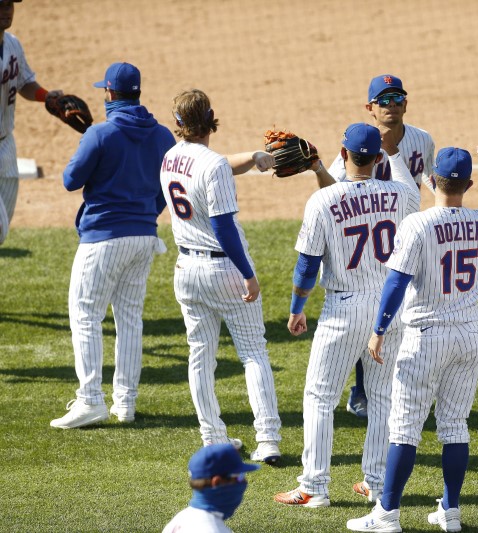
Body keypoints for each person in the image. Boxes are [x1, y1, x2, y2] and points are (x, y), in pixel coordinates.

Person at [347, 146, 478, 532]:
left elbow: (396, 281)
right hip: (469, 336)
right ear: (467, 184)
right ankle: (450, 511)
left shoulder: (418, 225)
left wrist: (378, 330)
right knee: (455, 425)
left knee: (404, 428)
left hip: (426, 338)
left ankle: (386, 515)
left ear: (433, 180)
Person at [272, 123, 420, 508]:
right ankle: (375, 481)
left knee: (320, 396)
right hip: (391, 308)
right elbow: (412, 199)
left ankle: (314, 487)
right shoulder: (402, 195)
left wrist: (297, 308)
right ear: (377, 158)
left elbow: (307, 265)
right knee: (383, 396)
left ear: (343, 154)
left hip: (344, 308)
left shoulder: (322, 201)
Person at [159, 89, 282, 461]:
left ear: (178, 123)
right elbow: (225, 227)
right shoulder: (212, 165)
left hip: (186, 270)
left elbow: (214, 164)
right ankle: (268, 440)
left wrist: (253, 157)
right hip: (224, 269)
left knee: (200, 356)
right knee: (253, 353)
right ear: (211, 117)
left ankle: (213, 439)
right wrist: (248, 273)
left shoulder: (168, 158)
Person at [50, 62, 175, 429]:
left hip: (103, 238)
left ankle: (90, 400)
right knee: (129, 319)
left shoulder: (99, 134)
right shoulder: (164, 135)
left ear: (109, 94)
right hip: (144, 237)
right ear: (137, 92)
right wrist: (148, 215)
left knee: (86, 315)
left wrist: (88, 137)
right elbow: (168, 187)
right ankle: (126, 402)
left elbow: (70, 180)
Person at [313, 73, 436, 419]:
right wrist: (317, 168)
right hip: (366, 242)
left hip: (405, 235)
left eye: (397, 98)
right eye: (384, 100)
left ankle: (402, 389)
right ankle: (361, 390)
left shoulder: (422, 139)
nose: (392, 105)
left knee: (403, 316)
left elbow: (429, 177)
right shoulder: (359, 143)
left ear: (406, 103)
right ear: (370, 108)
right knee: (371, 314)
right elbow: (332, 190)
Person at [0, 0, 73, 245]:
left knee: (3, 230)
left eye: (9, 5)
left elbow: (23, 83)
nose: (6, 11)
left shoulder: (12, 44)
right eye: (0, 5)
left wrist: (47, 97)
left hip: (6, 144)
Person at [162, 443, 260, 533]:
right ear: (216, 482)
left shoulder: (181, 519)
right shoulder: (212, 529)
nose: (244, 482)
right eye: (240, 476)